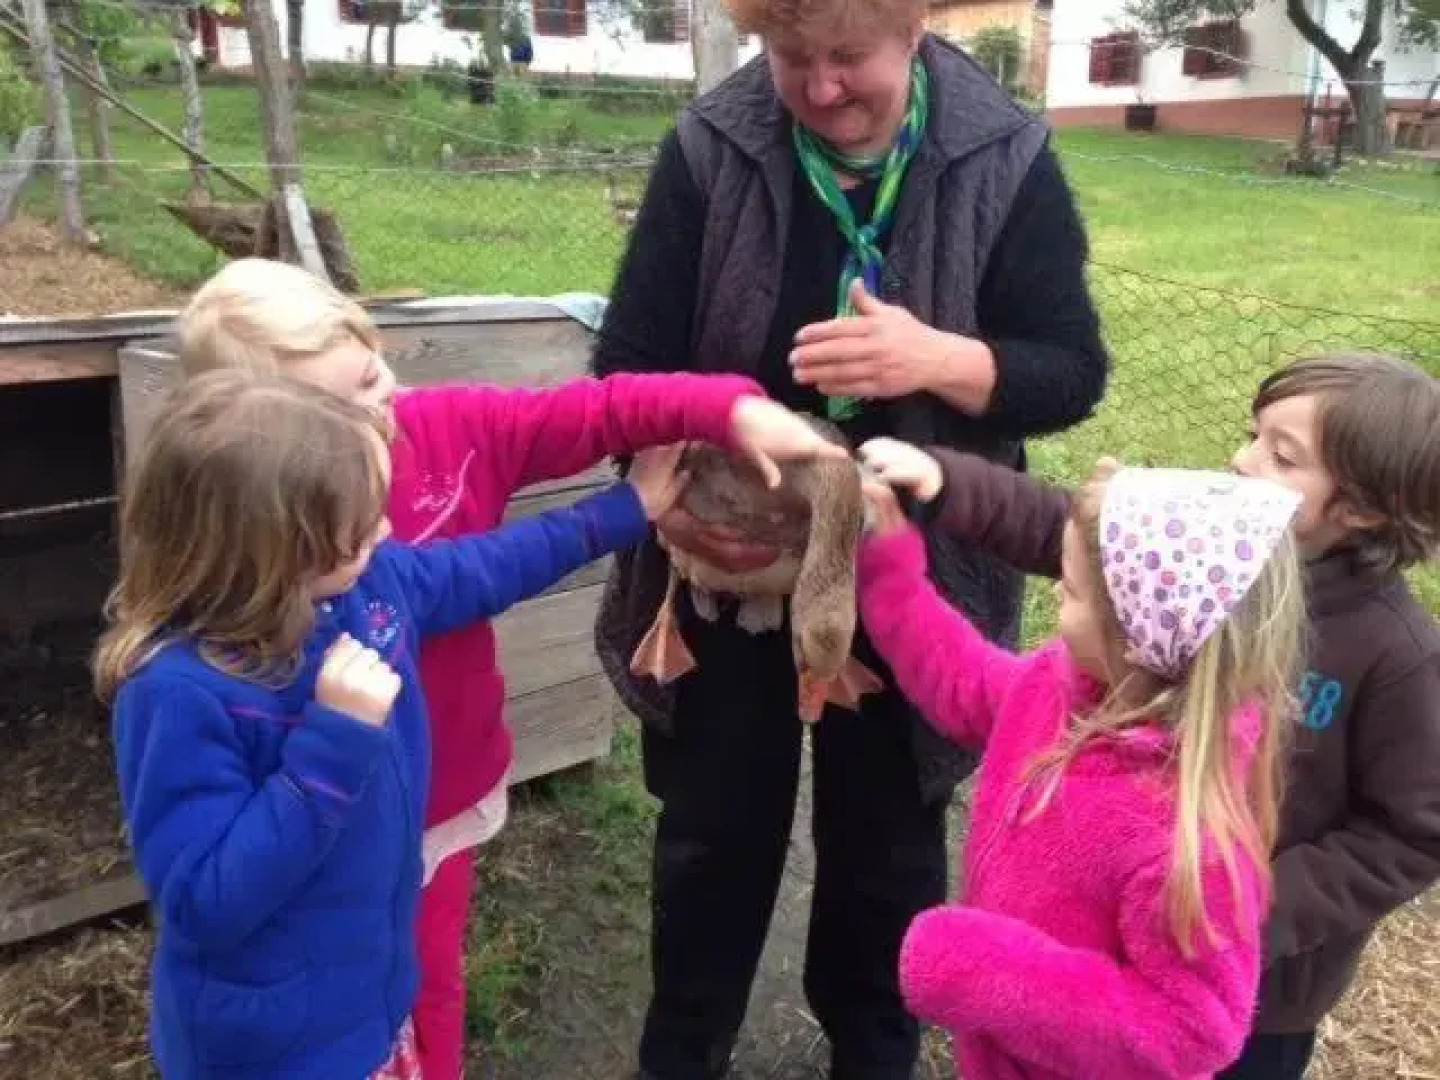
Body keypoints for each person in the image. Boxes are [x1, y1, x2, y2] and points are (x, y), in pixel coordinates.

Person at [589, 0, 1108, 1073]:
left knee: (888, 847)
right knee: (712, 834)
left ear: (913, 31)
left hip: (912, 573)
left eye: (848, 57)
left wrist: (940, 362)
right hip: (734, 566)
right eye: (792, 58)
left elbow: (1070, 369)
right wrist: (677, 494)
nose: (822, 90)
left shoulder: (1003, 154)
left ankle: (875, 1049)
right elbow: (623, 368)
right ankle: (683, 1050)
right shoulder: (711, 147)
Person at [173, 258, 843, 1080]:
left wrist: (729, 410)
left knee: (425, 974)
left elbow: (520, 519)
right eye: (334, 408)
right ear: (245, 446)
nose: (380, 409)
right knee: (329, 992)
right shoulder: (202, 650)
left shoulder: (431, 454)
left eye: (373, 372)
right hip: (317, 841)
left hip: (441, 787)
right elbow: (218, 893)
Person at [95, 371, 695, 1078]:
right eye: (361, 523)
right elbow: (206, 904)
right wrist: (330, 749)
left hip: (367, 1004)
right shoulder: (179, 694)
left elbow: (490, 565)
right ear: (281, 549)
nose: (385, 527)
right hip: (274, 1051)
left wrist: (628, 507)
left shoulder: (367, 588)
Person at [860, 352, 1440, 1080]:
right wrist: (895, 559)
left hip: (1225, 994)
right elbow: (975, 676)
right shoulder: (1082, 675)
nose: (1242, 459)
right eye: (1254, 434)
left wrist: (1235, 910)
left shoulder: (1391, 661)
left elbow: (1187, 1031)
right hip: (1041, 1019)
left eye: (1283, 455)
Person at [857, 460, 1306, 1078]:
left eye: (1069, 589)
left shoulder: (1184, 842)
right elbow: (966, 683)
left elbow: (1192, 1031)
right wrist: (892, 574)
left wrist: (983, 969)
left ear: (1135, 630)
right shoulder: (1069, 688)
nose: (1052, 594)